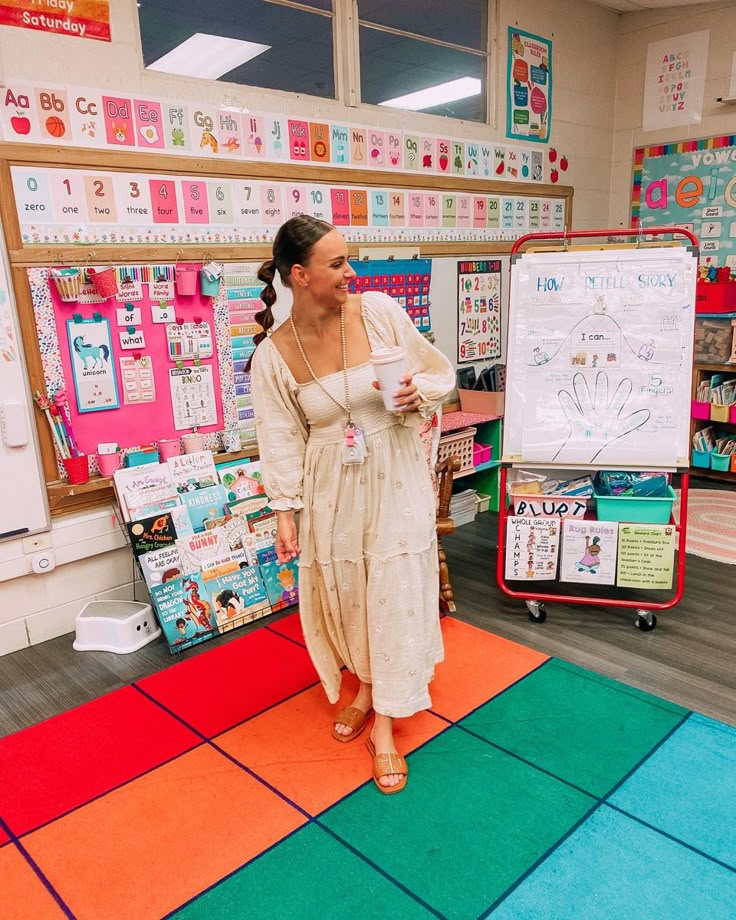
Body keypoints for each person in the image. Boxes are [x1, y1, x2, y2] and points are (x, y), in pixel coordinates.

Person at [249, 215, 455, 794]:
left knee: (389, 587)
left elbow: (437, 372)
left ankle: (385, 725)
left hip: (394, 468)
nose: (351, 272)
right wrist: (284, 511)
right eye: (337, 263)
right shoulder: (274, 355)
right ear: (300, 274)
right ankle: (366, 686)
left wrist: (420, 393)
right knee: (349, 592)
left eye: (349, 259)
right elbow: (281, 436)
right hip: (329, 484)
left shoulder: (380, 312)